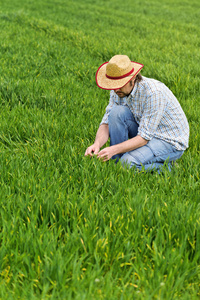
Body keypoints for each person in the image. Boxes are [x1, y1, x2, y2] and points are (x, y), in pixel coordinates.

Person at [85, 54, 189, 172]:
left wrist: (113, 149)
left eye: (120, 84)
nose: (115, 89)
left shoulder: (153, 93)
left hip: (168, 141)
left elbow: (144, 137)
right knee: (116, 112)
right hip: (146, 131)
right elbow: (106, 123)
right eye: (113, 85)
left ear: (133, 79)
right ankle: (115, 162)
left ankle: (168, 167)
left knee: (127, 164)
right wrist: (97, 144)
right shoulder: (118, 90)